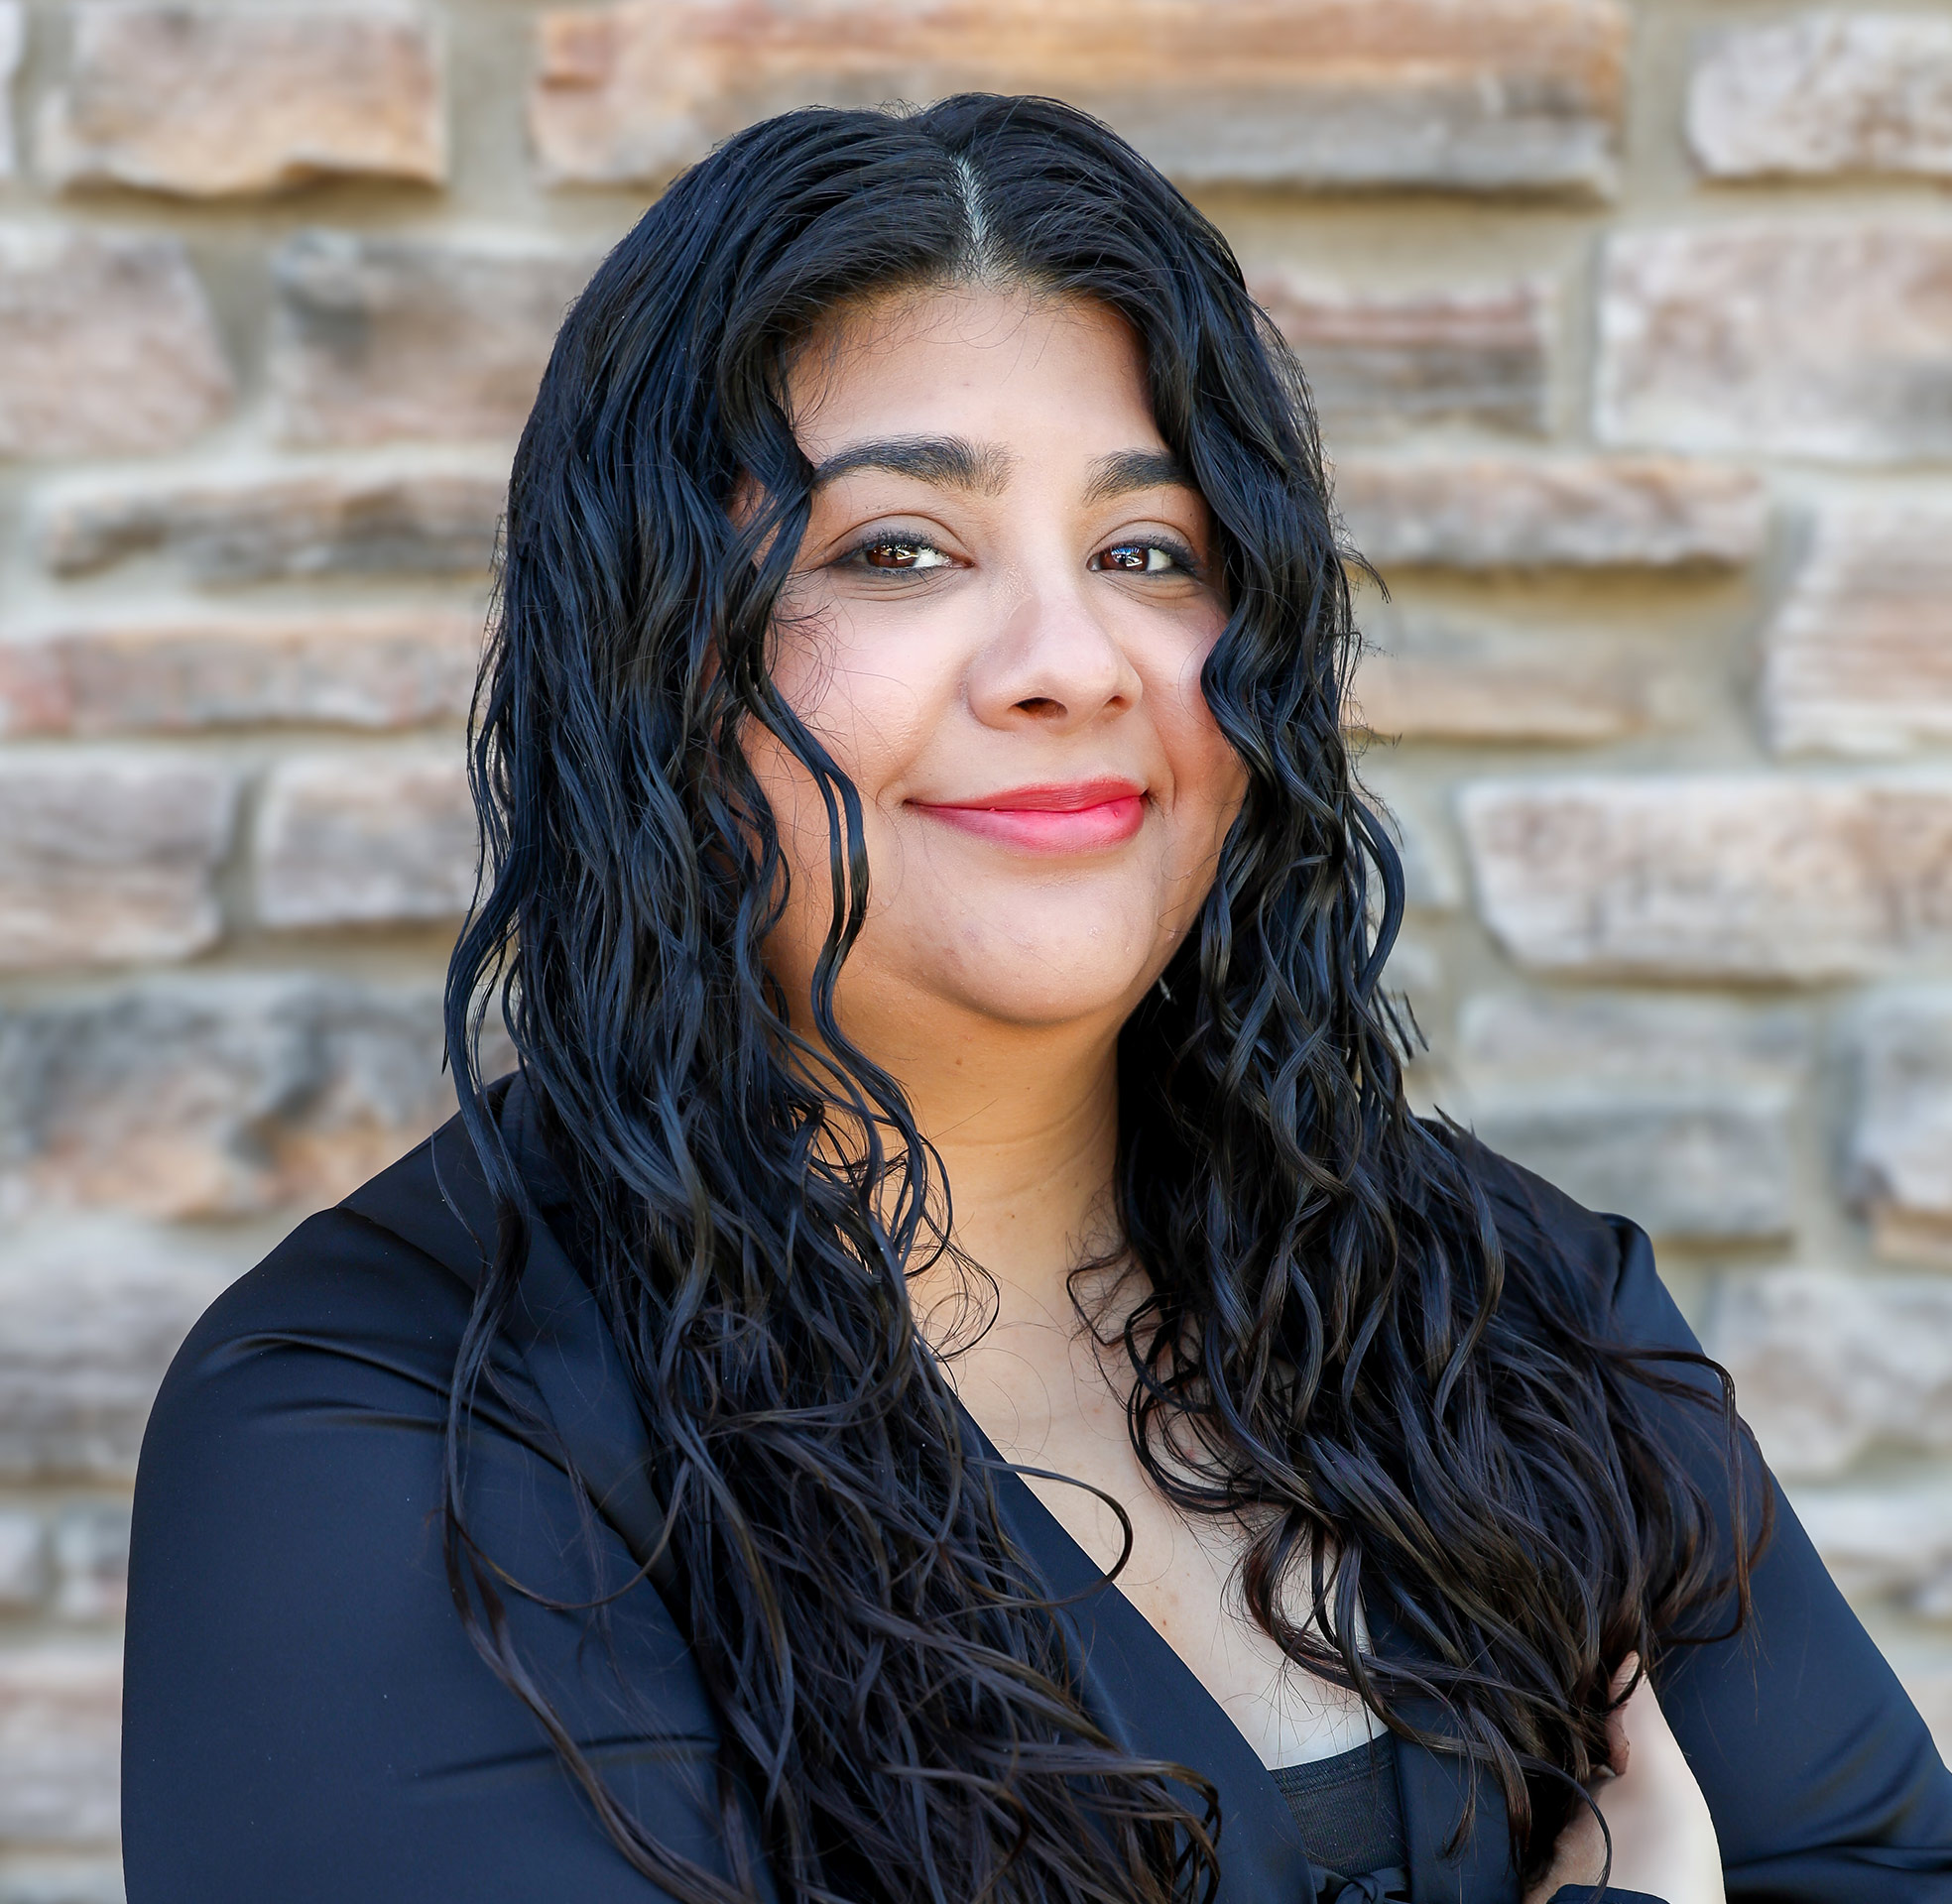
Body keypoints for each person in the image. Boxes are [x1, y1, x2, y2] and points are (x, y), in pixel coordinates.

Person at [121, 95, 1952, 1904]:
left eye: (1148, 553)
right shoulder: (374, 1441)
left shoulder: (1519, 1319)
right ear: (655, 662)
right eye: (897, 549)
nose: (1069, 662)